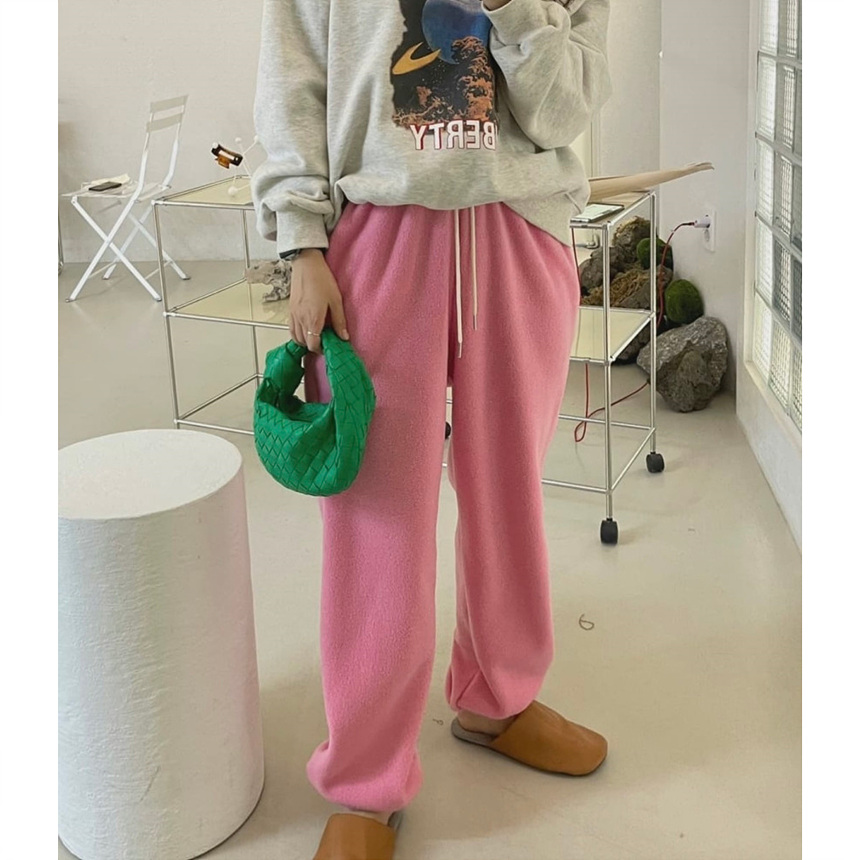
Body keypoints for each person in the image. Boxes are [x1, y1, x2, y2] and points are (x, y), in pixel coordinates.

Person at [251, 0, 612, 857]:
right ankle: (366, 776)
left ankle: (497, 700)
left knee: (509, 495)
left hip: (521, 229)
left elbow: (563, 113)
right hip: (377, 234)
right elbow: (294, 83)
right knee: (376, 511)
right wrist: (301, 246)